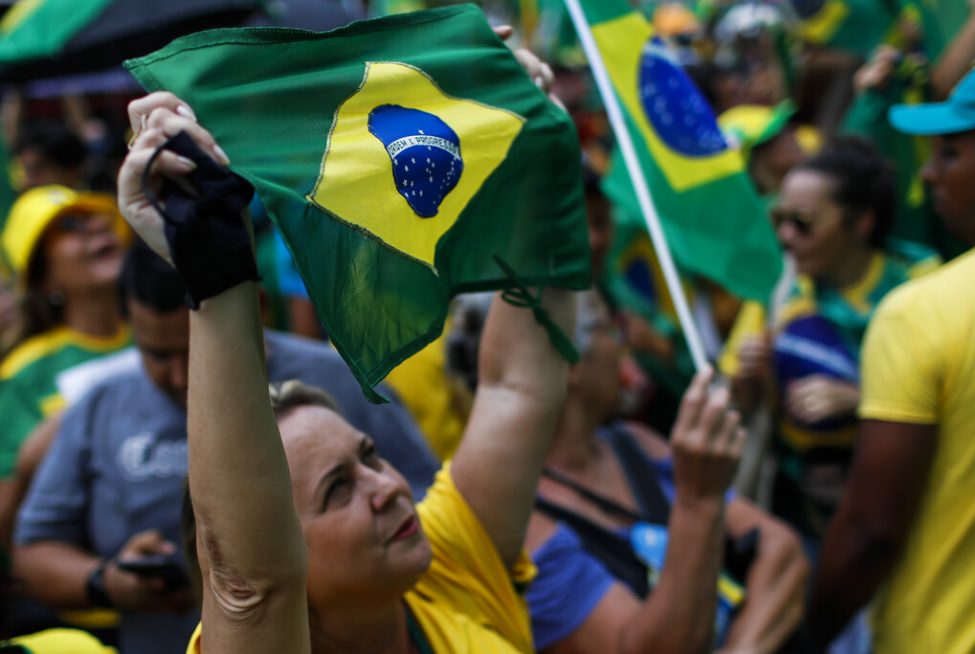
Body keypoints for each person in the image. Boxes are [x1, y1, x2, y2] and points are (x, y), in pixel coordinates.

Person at [116, 75, 739, 652]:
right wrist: (213, 260)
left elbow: (517, 387)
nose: (386, 488)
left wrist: (530, 157)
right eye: (337, 492)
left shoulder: (447, 569)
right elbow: (248, 582)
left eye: (368, 457)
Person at [12, 240, 438, 654]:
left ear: (256, 308)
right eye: (157, 355)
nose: (182, 378)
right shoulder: (99, 406)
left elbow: (429, 508)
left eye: (196, 352)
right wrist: (107, 581)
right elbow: (33, 550)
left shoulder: (344, 380)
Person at [525, 291, 808, 654]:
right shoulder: (526, 524)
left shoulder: (633, 443)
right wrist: (698, 500)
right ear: (570, 362)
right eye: (609, 328)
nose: (622, 345)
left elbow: (782, 550)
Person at [808, 65, 975, 653]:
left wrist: (807, 635)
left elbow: (871, 531)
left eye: (951, 155)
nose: (928, 175)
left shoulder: (922, 313)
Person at [721, 137, 939, 547]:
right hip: (796, 513)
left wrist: (861, 399)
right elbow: (740, 406)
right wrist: (752, 376)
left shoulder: (919, 285)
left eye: (802, 222)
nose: (786, 237)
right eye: (779, 219)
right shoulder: (778, 287)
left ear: (862, 223)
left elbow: (953, 404)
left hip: (905, 515)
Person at [0, 184, 130, 480]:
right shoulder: (22, 374)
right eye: (70, 225)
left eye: (96, 218)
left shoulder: (170, 337)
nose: (97, 226)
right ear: (43, 277)